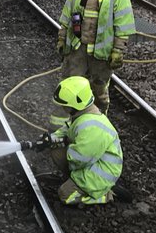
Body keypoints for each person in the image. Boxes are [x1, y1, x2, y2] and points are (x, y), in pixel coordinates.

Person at [53, 0, 135, 126]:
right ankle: (62, 127)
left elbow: (123, 24)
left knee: (99, 92)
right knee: (69, 85)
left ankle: (97, 127)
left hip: (101, 52)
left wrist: (118, 51)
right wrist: (61, 38)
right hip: (78, 48)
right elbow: (67, 14)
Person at [49, 76, 128, 205]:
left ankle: (106, 195)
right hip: (92, 163)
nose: (63, 108)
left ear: (76, 104)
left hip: (100, 174)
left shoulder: (93, 128)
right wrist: (52, 139)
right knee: (56, 150)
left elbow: (79, 159)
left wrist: (70, 163)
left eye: (65, 105)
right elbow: (68, 130)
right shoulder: (82, 115)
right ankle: (77, 182)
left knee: (65, 195)